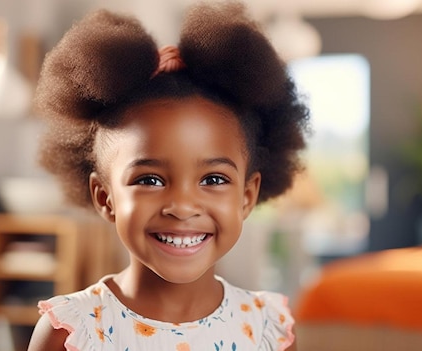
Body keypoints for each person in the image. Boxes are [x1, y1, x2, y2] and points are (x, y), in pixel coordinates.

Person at [27, 2, 308, 350]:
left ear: (247, 196)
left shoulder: (270, 329)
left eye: (214, 179)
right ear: (105, 198)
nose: (182, 206)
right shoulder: (71, 331)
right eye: (149, 180)